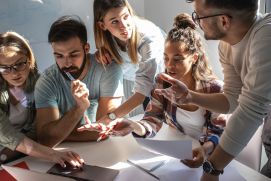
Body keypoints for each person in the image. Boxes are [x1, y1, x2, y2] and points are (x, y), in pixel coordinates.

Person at [79, 13, 227, 168]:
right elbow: (152, 119)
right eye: (166, 58)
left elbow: (218, 133)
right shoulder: (162, 83)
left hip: (210, 157)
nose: (169, 65)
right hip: (178, 153)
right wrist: (130, 125)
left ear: (194, 58)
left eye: (177, 59)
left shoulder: (214, 89)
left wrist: (204, 150)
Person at [155, 0, 271, 180]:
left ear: (224, 21)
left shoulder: (266, 37)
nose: (197, 22)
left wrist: (212, 168)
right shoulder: (226, 46)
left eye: (199, 16)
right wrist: (190, 96)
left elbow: (250, 111)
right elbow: (232, 100)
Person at [34, 16, 123, 147]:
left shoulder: (108, 69)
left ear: (86, 49)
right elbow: (45, 139)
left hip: (108, 147)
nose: (67, 63)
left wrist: (60, 133)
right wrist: (79, 108)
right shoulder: (46, 81)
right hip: (65, 154)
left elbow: (104, 130)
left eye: (73, 54)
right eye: (59, 56)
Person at [0, 31, 84, 167]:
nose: (14, 73)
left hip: (24, 156)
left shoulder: (42, 83)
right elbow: (5, 133)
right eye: (4, 68)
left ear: (29, 59)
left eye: (19, 64)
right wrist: (52, 154)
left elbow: (41, 132)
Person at [93, 0, 165, 119]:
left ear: (130, 13)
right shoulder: (107, 40)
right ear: (102, 25)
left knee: (157, 121)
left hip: (159, 78)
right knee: (133, 121)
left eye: (126, 17)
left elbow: (143, 90)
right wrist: (101, 54)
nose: (124, 26)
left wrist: (109, 118)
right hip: (131, 77)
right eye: (115, 21)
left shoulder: (148, 37)